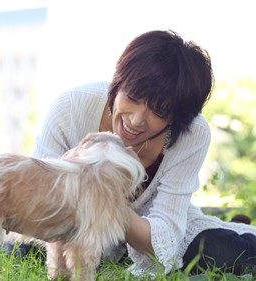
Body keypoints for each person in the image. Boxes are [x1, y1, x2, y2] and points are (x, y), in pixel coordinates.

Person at [25, 29, 256, 276]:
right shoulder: (72, 107)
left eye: (159, 111)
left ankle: (229, 227)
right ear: (118, 83)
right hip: (75, 231)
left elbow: (163, 238)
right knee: (26, 252)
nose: (136, 121)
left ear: (177, 118)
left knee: (223, 253)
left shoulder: (194, 134)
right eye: (132, 97)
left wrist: (107, 203)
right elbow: (35, 201)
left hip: (155, 232)